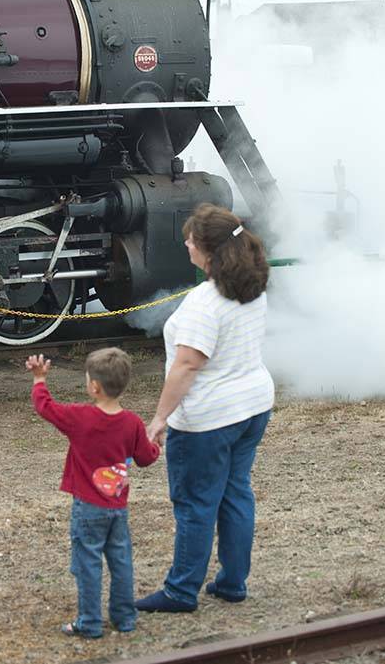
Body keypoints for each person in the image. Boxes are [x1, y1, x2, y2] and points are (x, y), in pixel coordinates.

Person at [136, 203, 274, 614]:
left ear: (209, 250)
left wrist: (160, 418)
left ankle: (181, 591)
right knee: (235, 493)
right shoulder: (253, 286)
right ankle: (233, 582)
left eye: (191, 240)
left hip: (209, 417)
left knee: (196, 502)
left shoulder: (203, 303)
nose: (186, 244)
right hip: (252, 405)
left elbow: (188, 364)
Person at [27, 346, 161, 638]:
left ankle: (89, 622)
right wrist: (157, 444)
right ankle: (125, 618)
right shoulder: (133, 422)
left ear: (94, 387)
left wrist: (39, 379)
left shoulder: (80, 418)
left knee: (88, 564)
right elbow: (146, 458)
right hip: (118, 507)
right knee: (121, 561)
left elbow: (45, 407)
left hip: (88, 507)